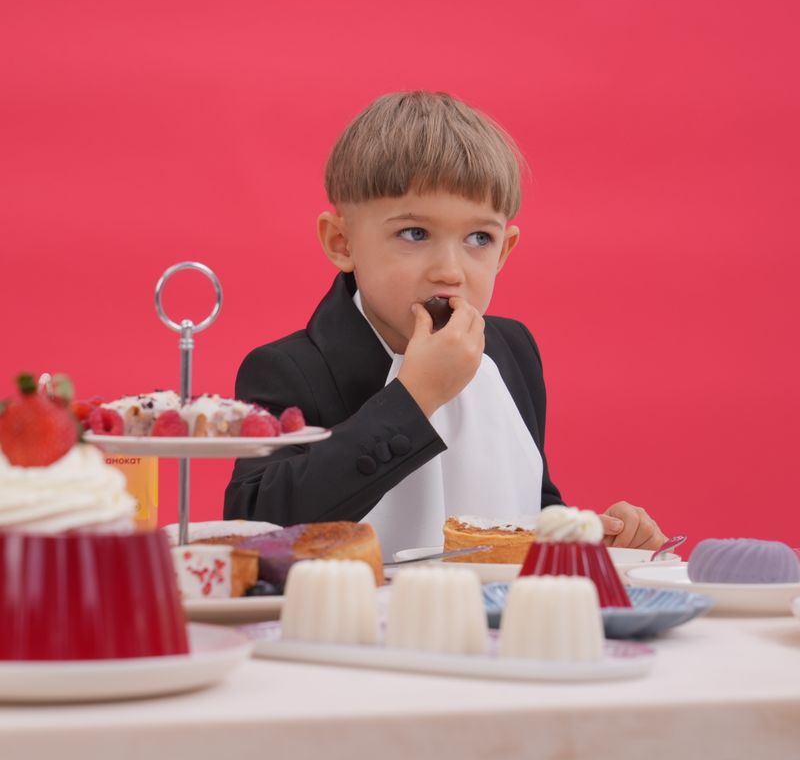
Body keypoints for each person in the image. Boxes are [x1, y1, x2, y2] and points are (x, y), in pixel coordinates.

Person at [224, 91, 666, 554]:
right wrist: (416, 397)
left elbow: (527, 504)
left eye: (479, 238)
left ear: (505, 251)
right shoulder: (290, 369)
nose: (450, 271)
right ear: (341, 242)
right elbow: (256, 527)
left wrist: (587, 535)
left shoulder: (512, 349)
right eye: (414, 233)